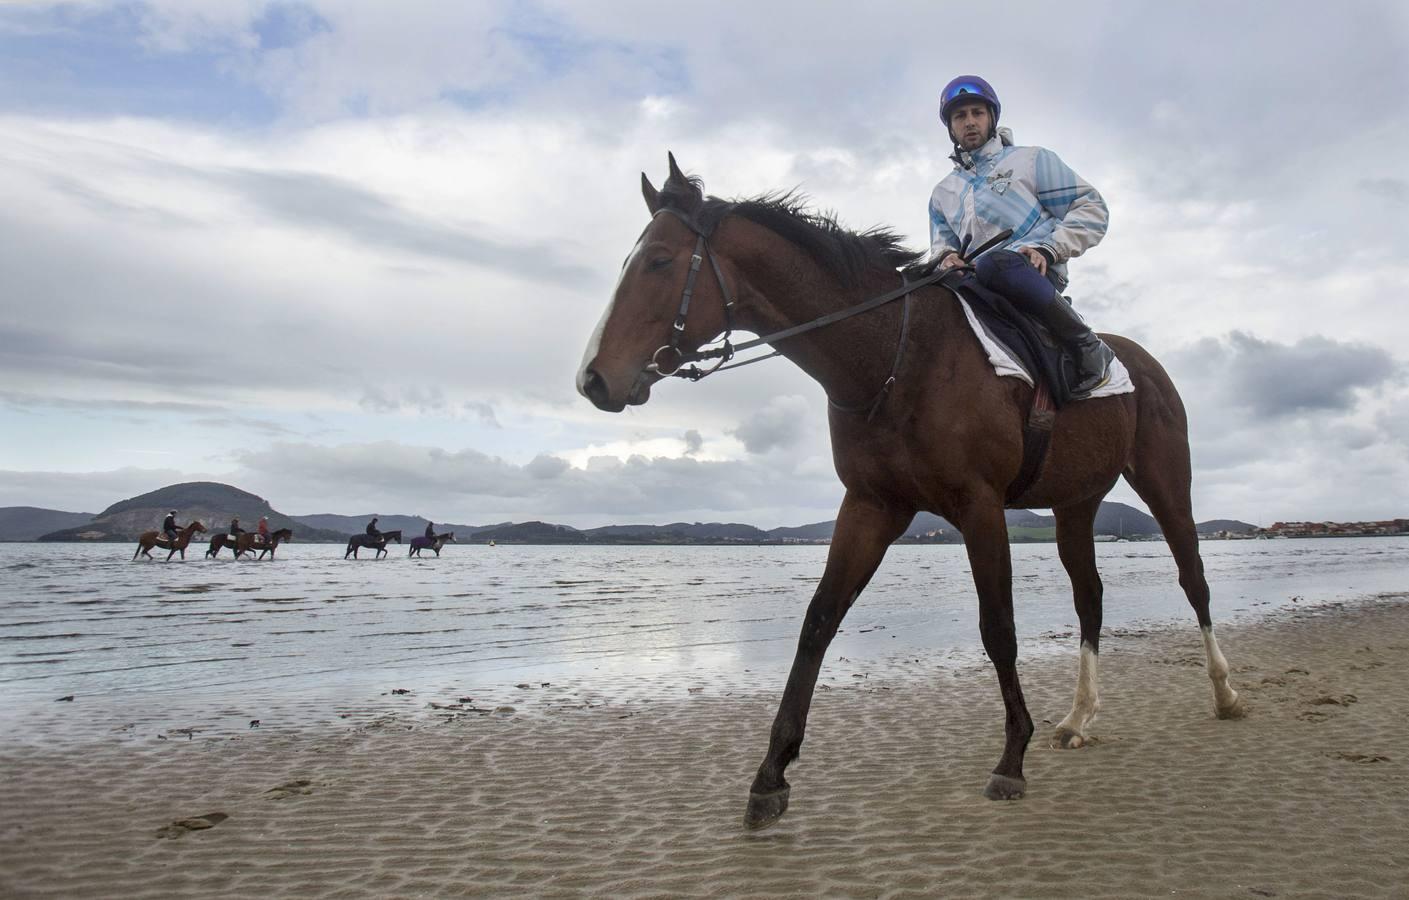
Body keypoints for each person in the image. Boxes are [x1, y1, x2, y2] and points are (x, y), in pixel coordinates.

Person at [928, 75, 1114, 395]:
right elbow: (941, 245)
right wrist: (946, 258)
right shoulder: (942, 192)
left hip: (1031, 274)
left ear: (992, 117)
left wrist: (1050, 248)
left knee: (995, 264)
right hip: (977, 283)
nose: (970, 122)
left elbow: (1091, 208)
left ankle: (1086, 343)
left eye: (977, 112)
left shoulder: (1031, 160)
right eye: (960, 116)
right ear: (951, 128)